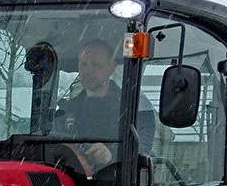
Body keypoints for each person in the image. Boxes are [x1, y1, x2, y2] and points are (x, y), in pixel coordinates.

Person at [55, 39, 157, 169]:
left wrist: (111, 155)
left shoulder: (133, 109)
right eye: (84, 64)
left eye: (96, 65)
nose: (88, 71)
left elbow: (141, 151)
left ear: (111, 68)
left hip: (114, 183)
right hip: (71, 181)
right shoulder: (67, 110)